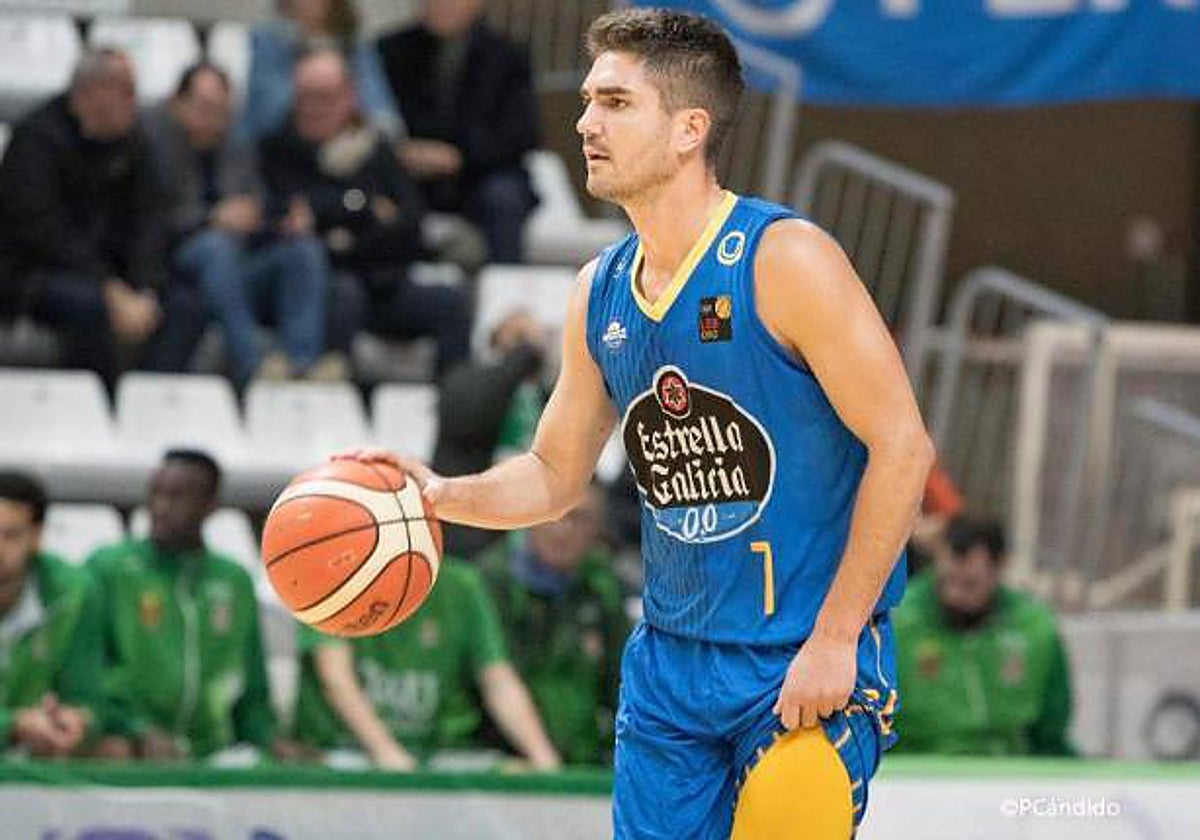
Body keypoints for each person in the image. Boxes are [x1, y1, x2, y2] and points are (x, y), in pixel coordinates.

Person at [340, 9, 933, 838]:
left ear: (690, 128)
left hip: (800, 653)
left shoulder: (784, 260)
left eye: (615, 102)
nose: (585, 122)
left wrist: (836, 638)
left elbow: (904, 448)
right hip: (669, 667)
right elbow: (552, 474)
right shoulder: (599, 289)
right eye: (587, 100)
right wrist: (437, 494)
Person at [260, 48, 471, 377]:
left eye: (325, 97)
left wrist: (336, 224)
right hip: (322, 289)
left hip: (383, 284)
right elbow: (286, 221)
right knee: (345, 294)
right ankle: (329, 397)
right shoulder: (277, 150)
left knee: (451, 302)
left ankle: (452, 410)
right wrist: (365, 209)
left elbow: (411, 225)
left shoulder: (376, 149)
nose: (314, 108)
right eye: (306, 97)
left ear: (349, 96)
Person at [0, 48, 204, 386]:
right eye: (125, 91)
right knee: (91, 308)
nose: (134, 101)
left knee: (187, 305)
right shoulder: (36, 139)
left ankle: (143, 399)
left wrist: (144, 287)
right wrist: (109, 289)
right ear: (93, 91)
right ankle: (97, 405)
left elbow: (149, 221)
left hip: (117, 276)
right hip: (37, 275)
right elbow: (43, 232)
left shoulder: (133, 143)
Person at [85, 451, 290, 761]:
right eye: (155, 494)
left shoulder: (233, 580)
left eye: (177, 497)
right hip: (130, 749)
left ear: (210, 506)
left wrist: (270, 740)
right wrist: (134, 729)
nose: (160, 508)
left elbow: (252, 689)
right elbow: (85, 674)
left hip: (214, 753)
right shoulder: (110, 568)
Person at [144, 61, 336, 385]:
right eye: (205, 107)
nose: (214, 118)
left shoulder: (238, 147)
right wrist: (212, 218)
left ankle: (302, 364)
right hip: (179, 261)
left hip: (240, 259)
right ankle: (253, 365)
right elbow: (150, 222)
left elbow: (259, 205)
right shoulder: (152, 147)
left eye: (222, 110)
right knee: (215, 246)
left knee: (304, 250)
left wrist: (270, 219)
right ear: (178, 102)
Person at [292, 558, 561, 771]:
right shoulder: (331, 578)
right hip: (341, 752)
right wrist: (387, 752)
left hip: (439, 755)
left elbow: (498, 679)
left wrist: (543, 758)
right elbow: (336, 678)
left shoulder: (462, 585)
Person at [893, 515, 1076, 756]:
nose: (954, 596)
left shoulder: (1034, 629)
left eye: (969, 584)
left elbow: (1051, 727)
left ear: (1000, 567)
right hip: (914, 767)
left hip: (1007, 768)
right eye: (947, 582)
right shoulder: (898, 622)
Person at [377, 0, 540, 263]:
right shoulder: (390, 50)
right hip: (407, 173)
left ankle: (504, 294)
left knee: (503, 197)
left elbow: (520, 135)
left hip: (480, 175)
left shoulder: (507, 56)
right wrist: (404, 152)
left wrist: (457, 156)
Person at [479, 486, 629, 765]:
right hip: (503, 759)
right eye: (554, 515)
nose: (563, 530)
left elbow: (622, 683)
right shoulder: (494, 580)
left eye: (580, 518)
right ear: (529, 517)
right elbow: (490, 677)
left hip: (585, 761)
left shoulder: (603, 585)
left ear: (598, 530)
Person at [0, 472, 103, 758]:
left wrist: (72, 719)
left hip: (36, 763)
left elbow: (89, 698)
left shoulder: (73, 593)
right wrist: (14, 725)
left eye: (9, 535)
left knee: (112, 748)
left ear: (36, 536)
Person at [237, 0, 402, 144]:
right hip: (280, 149)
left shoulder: (353, 44)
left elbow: (383, 114)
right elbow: (270, 112)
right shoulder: (267, 40)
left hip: (347, 146)